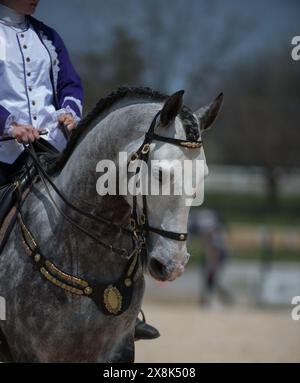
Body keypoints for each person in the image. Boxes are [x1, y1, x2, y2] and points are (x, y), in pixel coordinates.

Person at [0, 0, 159, 341]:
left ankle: (124, 312)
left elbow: (70, 83)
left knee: (107, 211)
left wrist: (69, 110)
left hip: (51, 150)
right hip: (4, 153)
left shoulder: (49, 37)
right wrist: (10, 124)